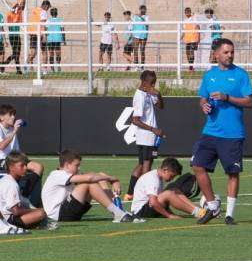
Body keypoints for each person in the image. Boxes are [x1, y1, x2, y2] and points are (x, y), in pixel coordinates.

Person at [192, 38, 252, 225]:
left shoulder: (241, 75)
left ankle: (230, 215)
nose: (230, 55)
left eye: (232, 52)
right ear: (216, 54)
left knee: (232, 173)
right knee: (197, 165)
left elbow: (250, 102)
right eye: (226, 52)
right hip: (210, 132)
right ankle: (212, 205)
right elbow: (202, 99)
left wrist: (227, 97)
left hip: (232, 134)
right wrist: (204, 106)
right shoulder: (209, 75)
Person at [41, 149, 136, 223]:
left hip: (66, 212)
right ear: (67, 165)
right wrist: (112, 178)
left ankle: (119, 211)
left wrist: (114, 180)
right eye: (76, 165)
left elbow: (98, 175)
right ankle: (118, 214)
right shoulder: (57, 174)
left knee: (98, 180)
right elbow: (90, 178)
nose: (79, 168)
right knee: (89, 183)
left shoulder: (68, 174)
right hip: (58, 216)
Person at [0, 104, 44, 207]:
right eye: (10, 114)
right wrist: (15, 131)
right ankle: (17, 198)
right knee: (18, 168)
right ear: (2, 117)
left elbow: (16, 152)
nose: (13, 117)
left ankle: (24, 196)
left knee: (38, 167)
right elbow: (1, 146)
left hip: (12, 159)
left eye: (14, 114)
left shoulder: (12, 129)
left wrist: (25, 159)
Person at [124, 70, 165, 200]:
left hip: (149, 136)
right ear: (144, 82)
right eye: (151, 83)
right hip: (146, 136)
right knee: (147, 165)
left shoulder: (148, 93)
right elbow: (135, 120)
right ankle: (145, 196)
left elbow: (161, 107)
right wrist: (153, 129)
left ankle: (130, 193)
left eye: (154, 83)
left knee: (142, 164)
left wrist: (158, 95)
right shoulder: (140, 96)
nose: (153, 86)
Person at [130, 157, 207, 220]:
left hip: (147, 208)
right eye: (171, 176)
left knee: (174, 190)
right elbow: (153, 202)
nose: (172, 178)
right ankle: (197, 212)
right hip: (140, 213)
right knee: (168, 193)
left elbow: (159, 201)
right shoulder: (153, 179)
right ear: (165, 170)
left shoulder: (157, 177)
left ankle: (199, 210)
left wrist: (171, 213)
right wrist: (169, 215)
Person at [0, 152, 49, 229]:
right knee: (41, 213)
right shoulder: (11, 184)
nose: (25, 168)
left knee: (37, 212)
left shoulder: (6, 180)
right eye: (22, 165)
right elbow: (16, 211)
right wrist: (35, 211)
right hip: (5, 220)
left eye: (25, 165)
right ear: (11, 167)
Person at [5, 0, 25, 74]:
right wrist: (22, 1)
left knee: (17, 53)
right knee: (16, 53)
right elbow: (21, 7)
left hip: (16, 35)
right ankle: (4, 64)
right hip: (13, 36)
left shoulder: (16, 13)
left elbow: (22, 7)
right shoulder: (11, 15)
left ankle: (18, 70)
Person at [27, 0, 50, 70]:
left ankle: (27, 65)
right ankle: (44, 70)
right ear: (46, 6)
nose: (48, 9)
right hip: (39, 34)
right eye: (48, 7)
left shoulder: (35, 10)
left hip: (32, 33)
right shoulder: (43, 12)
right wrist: (44, 36)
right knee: (44, 52)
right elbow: (42, 24)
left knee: (33, 52)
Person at [45, 7, 65, 72]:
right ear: (57, 13)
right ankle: (58, 65)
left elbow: (45, 29)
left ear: (51, 14)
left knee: (51, 54)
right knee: (58, 53)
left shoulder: (48, 21)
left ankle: (52, 68)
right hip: (58, 39)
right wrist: (64, 40)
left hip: (50, 39)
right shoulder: (60, 20)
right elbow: (63, 31)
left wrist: (46, 36)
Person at [181, 7, 200, 71]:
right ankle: (190, 66)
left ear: (190, 12)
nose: (187, 13)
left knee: (191, 53)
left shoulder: (194, 19)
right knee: (187, 53)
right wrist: (180, 37)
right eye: (186, 12)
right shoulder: (185, 21)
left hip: (193, 39)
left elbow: (198, 27)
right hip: (187, 40)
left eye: (188, 12)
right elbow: (184, 31)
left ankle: (191, 67)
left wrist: (198, 38)